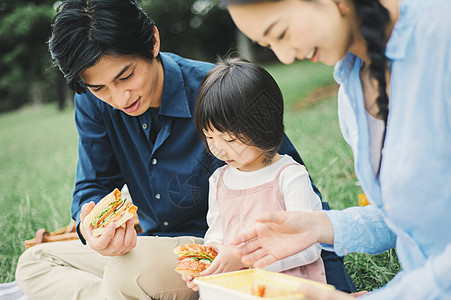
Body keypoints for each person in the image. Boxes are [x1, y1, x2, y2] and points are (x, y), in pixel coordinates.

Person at [14, 0, 354, 299]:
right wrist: (89, 227)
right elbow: (93, 186)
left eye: (126, 76)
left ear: (153, 42)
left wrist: (333, 292)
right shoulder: (93, 104)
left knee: (124, 274)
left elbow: (295, 195)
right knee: (34, 263)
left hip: (213, 253)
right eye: (100, 88)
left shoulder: (219, 92)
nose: (119, 99)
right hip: (145, 246)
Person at [217, 0, 451, 299]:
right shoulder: (352, 89)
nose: (285, 57)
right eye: (267, 44)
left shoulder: (440, 36)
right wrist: (319, 227)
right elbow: (411, 219)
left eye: (282, 33)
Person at [182, 58, 326, 291]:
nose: (218, 149)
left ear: (263, 126)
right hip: (236, 288)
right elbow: (215, 236)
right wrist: (207, 263)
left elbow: (309, 246)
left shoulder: (288, 176)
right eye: (209, 138)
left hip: (287, 289)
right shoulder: (219, 180)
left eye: (228, 139)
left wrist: (245, 259)